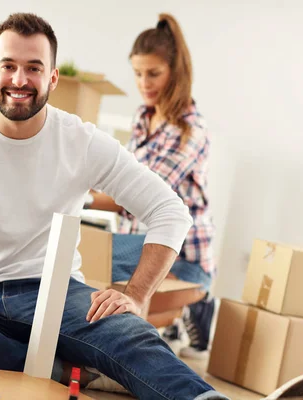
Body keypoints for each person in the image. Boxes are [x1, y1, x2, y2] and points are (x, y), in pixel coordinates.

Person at [0, 12, 230, 399]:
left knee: (129, 332)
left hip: (56, 293)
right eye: (9, 66)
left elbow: (170, 211)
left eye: (34, 68)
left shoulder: (81, 141)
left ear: (52, 78)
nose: (20, 80)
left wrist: (137, 295)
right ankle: (72, 371)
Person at [85, 13, 217, 359]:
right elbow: (118, 177)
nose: (144, 83)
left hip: (182, 255)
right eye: (138, 73)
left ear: (176, 71)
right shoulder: (143, 119)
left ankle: (198, 306)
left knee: (89, 252)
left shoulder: (191, 130)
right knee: (90, 252)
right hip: (137, 244)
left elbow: (139, 197)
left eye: (154, 73)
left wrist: (79, 196)